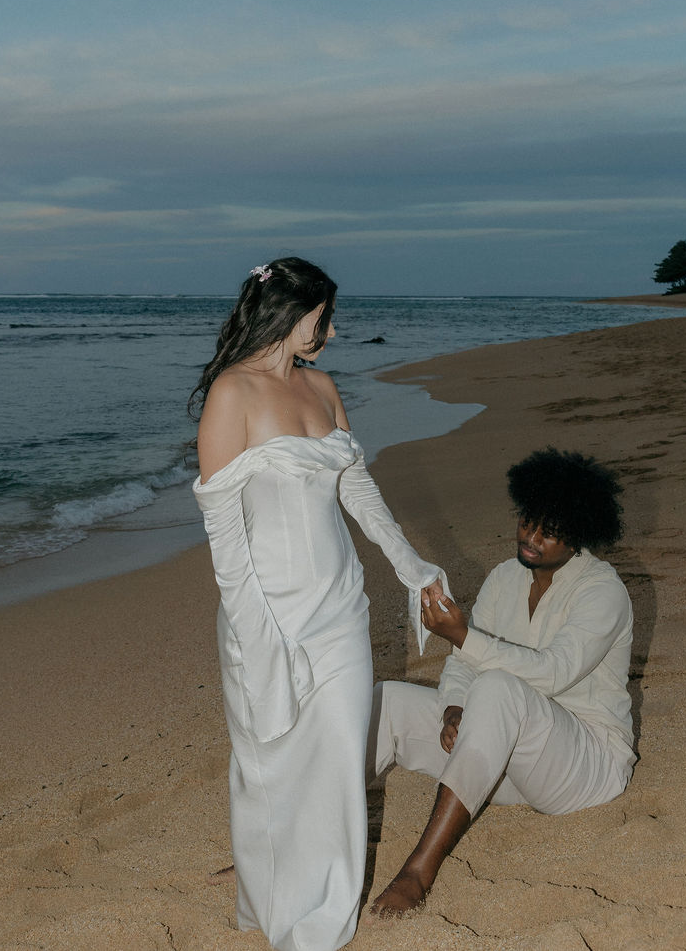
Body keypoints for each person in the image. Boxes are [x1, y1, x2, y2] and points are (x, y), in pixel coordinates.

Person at [189, 257, 446, 951]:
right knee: (268, 761)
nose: (331, 331)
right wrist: (254, 628)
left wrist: (411, 564)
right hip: (265, 609)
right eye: (323, 317)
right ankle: (267, 895)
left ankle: (318, 928)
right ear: (290, 313)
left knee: (337, 756)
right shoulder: (231, 394)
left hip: (340, 606)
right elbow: (223, 528)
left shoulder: (323, 386)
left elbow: (356, 489)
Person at [368, 446, 634, 917]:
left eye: (550, 532)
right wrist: (452, 705)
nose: (531, 538)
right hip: (509, 766)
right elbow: (463, 666)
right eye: (527, 521)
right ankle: (300, 847)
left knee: (497, 688)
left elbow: (551, 673)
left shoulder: (603, 591)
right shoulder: (504, 577)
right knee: (386, 700)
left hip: (587, 767)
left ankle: (418, 872)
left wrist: (464, 636)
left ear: (579, 537)